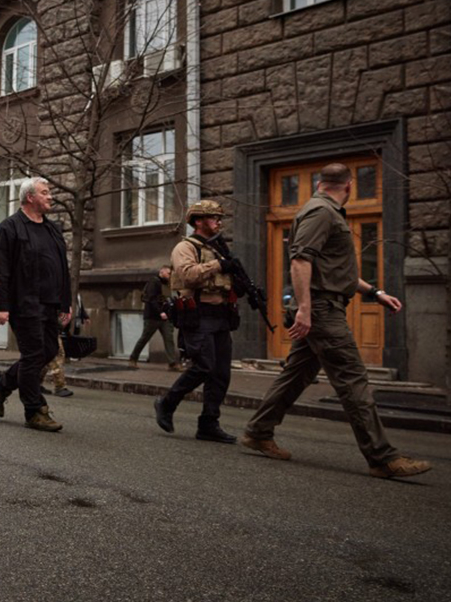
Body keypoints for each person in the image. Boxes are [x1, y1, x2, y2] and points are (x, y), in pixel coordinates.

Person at [241, 164, 431, 479]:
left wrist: (375, 292)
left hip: (321, 307)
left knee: (296, 376)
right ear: (349, 185)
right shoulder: (321, 213)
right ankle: (382, 458)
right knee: (353, 380)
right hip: (321, 311)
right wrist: (304, 309)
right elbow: (300, 259)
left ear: (320, 182)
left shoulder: (325, 211)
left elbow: (337, 271)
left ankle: (259, 432)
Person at [0, 177, 73, 432]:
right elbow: (0, 271)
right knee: (34, 354)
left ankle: (1, 384)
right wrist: (0, 306)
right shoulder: (10, 228)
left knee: (47, 352)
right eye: (45, 193)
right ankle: (35, 411)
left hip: (50, 304)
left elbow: (62, 270)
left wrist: (65, 303)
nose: (50, 196)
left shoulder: (52, 229)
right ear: (30, 197)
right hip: (24, 304)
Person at [152, 200, 239, 444]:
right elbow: (188, 275)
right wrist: (218, 265)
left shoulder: (220, 248)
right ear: (198, 221)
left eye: (219, 218)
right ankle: (166, 404)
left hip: (221, 316)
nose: (219, 222)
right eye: (213, 218)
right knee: (204, 366)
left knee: (221, 374)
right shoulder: (185, 247)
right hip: (197, 315)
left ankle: (209, 423)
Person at [128, 265, 179, 370]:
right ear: (162, 272)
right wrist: (160, 312)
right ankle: (133, 358)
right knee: (145, 338)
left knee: (169, 339)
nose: (170, 276)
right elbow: (151, 299)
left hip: (165, 317)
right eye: (168, 273)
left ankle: (172, 363)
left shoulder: (167, 285)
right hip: (152, 317)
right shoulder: (154, 282)